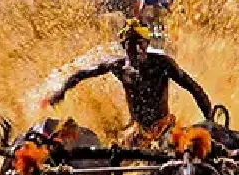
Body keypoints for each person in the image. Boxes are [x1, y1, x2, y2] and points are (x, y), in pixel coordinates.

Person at [46, 19, 212, 148]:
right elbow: (83, 73)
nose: (137, 49)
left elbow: (193, 88)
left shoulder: (163, 64)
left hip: (164, 128)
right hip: (137, 130)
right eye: (131, 45)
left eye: (140, 43)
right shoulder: (117, 67)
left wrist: (210, 119)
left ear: (147, 44)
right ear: (124, 47)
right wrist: (61, 91)